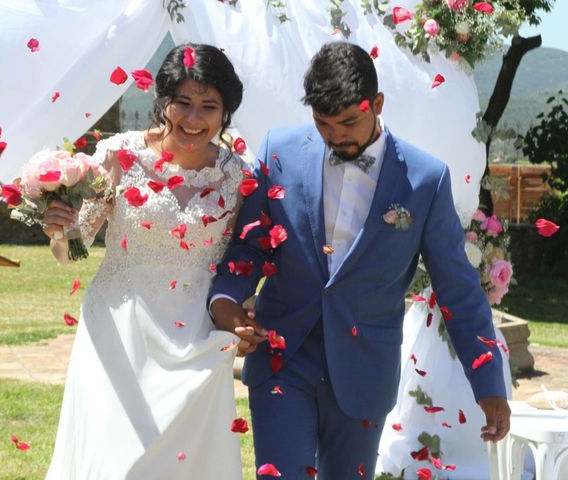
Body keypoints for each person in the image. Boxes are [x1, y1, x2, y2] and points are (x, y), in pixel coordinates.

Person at [209, 41, 510, 479]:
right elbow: (250, 246)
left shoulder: (426, 180)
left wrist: (488, 385)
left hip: (364, 369)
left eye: (348, 121)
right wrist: (225, 301)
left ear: (378, 104)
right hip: (283, 356)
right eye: (323, 123)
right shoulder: (279, 151)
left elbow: (457, 288)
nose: (336, 136)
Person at [41, 43, 245, 479]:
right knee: (118, 462)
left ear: (225, 111)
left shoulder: (238, 176)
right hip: (119, 332)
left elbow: (243, 260)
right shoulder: (119, 156)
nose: (193, 119)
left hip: (196, 340)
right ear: (163, 103)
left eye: (208, 106)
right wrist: (58, 228)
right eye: (182, 103)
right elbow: (70, 249)